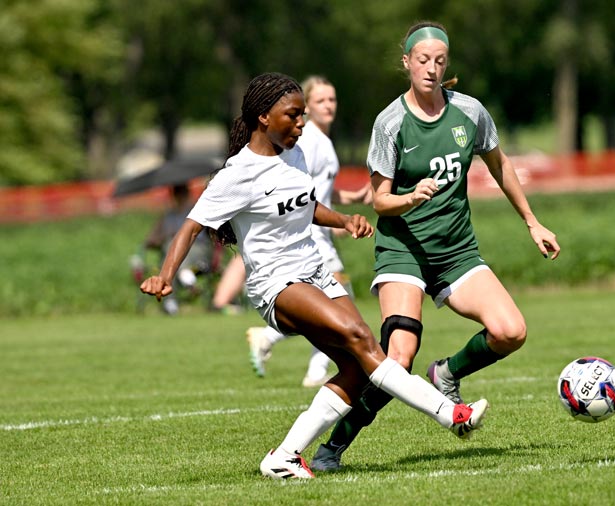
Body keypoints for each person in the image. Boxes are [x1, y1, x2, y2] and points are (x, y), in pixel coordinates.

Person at [139, 72, 489, 480]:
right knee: (361, 339)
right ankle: (452, 415)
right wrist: (165, 275)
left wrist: (344, 220)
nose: (301, 123)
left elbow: (305, 206)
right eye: (293, 115)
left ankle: (284, 456)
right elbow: (191, 226)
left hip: (315, 270)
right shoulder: (238, 173)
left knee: (357, 368)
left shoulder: (295, 153)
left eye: (303, 114)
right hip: (276, 285)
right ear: (263, 117)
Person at [309, 22, 560, 471]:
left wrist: (532, 221)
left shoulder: (469, 112)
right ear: (406, 62)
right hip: (403, 251)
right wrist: (411, 197)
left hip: (457, 251)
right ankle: (333, 446)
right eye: (423, 60)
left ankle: (447, 373)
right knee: (397, 358)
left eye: (439, 61)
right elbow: (380, 200)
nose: (431, 68)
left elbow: (500, 165)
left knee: (511, 331)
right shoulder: (390, 123)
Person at [243, 75, 372, 386]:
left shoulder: (322, 141)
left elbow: (317, 190)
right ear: (307, 107)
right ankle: (279, 345)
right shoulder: (309, 141)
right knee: (336, 303)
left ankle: (312, 366)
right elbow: (298, 193)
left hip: (319, 233)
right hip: (310, 237)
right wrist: (330, 221)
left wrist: (348, 201)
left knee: (333, 304)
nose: (328, 106)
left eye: (332, 99)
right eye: (320, 100)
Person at [138, 183, 215, 315]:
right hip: (171, 252)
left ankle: (172, 296)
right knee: (170, 245)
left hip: (198, 250)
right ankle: (185, 277)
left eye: (182, 192)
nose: (180, 196)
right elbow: (151, 240)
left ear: (187, 193)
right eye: (177, 192)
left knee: (175, 247)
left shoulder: (196, 211)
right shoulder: (168, 216)